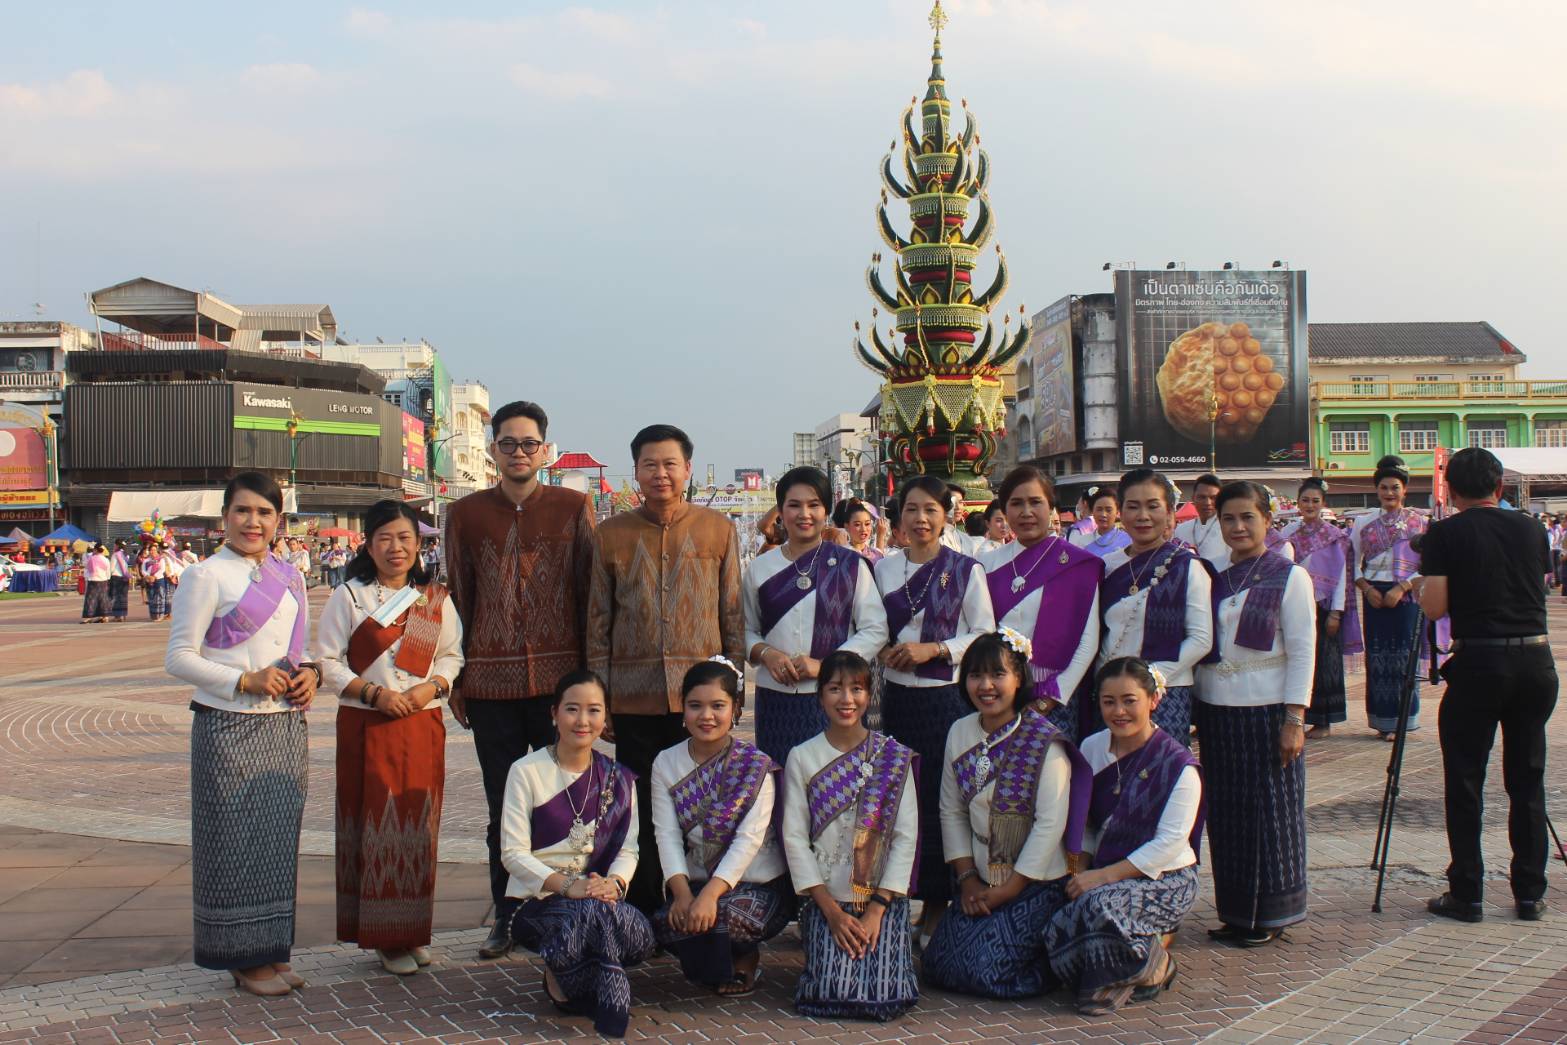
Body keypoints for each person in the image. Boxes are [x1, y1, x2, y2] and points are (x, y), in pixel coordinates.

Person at [444, 400, 596, 960]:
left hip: (559, 683)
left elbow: (589, 596)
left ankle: (565, 912)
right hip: (490, 685)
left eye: (529, 443)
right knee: (502, 805)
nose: (518, 452)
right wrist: (457, 681)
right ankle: (505, 917)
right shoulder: (464, 514)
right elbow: (459, 598)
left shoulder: (574, 508)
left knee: (566, 802)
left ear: (545, 450)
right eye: (507, 443)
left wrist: (587, 680)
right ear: (492, 449)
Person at [163, 472, 319, 996]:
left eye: (265, 513)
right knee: (232, 843)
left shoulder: (290, 575)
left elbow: (299, 648)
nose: (254, 522)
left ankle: (272, 951)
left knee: (277, 842)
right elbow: (179, 658)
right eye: (243, 511)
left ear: (279, 520)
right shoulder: (204, 576)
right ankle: (240, 957)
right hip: (228, 726)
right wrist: (241, 680)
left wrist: (310, 676)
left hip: (283, 727)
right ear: (224, 517)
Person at [588, 423, 745, 914]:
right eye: (650, 464)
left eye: (670, 464)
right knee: (637, 807)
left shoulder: (718, 530)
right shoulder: (609, 535)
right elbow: (598, 619)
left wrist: (733, 690)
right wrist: (602, 697)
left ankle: (701, 904)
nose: (661, 474)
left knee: (701, 807)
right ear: (635, 471)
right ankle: (643, 907)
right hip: (633, 698)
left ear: (688, 470)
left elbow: (733, 615)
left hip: (698, 702)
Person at [317, 499, 464, 976]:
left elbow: (452, 657)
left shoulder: (434, 599)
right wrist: (375, 694)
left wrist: (430, 689)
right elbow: (328, 662)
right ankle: (383, 937)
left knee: (417, 826)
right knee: (375, 826)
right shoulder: (350, 596)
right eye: (384, 538)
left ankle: (411, 930)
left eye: (404, 538)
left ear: (418, 544)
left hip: (420, 724)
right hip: (368, 724)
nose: (395, 547)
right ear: (368, 543)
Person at [1419, 447, 1558, 923]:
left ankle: (1468, 892)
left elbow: (1435, 608)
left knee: (1465, 781)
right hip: (1535, 661)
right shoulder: (1532, 527)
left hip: (1480, 661)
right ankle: (1530, 892)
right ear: (1499, 487)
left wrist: (1423, 585)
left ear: (1451, 491)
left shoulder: (1445, 533)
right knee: (1527, 780)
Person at [921, 630, 1087, 999]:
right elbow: (950, 809)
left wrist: (1009, 889)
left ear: (1019, 679)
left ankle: (1055, 959)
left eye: (998, 675)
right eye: (976, 675)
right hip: (978, 876)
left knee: (988, 972)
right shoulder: (959, 731)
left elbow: (1049, 826)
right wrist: (966, 879)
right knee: (938, 964)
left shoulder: (1044, 742)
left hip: (1034, 881)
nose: (986, 686)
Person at [498, 670, 654, 1038]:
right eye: (572, 709)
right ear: (554, 714)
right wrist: (570, 886)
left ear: (605, 718)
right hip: (536, 901)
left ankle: (568, 972)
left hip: (599, 895)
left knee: (640, 934)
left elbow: (628, 848)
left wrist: (614, 883)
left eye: (594, 711)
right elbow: (512, 853)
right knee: (587, 916)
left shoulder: (618, 777)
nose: (582, 721)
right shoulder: (526, 771)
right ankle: (607, 996)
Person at [872, 475, 995, 937]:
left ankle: (942, 901)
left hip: (945, 702)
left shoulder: (967, 569)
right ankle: (899, 895)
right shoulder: (883, 569)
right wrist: (882, 649)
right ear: (899, 516)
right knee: (900, 800)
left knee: (944, 800)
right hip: (894, 701)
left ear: (946, 516)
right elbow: (869, 626)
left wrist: (937, 649)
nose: (920, 519)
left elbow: (984, 632)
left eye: (930, 510)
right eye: (911, 510)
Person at [1047, 657, 1203, 1015]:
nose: (1119, 711)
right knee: (1056, 908)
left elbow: (1169, 844)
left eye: (1129, 700)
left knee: (1098, 907)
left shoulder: (1177, 765)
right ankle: (1138, 952)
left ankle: (1152, 966)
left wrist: (1100, 878)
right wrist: (1078, 870)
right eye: (1108, 702)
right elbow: (1084, 823)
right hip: (1101, 870)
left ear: (1153, 700)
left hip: (1165, 878)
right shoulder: (1090, 748)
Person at [1194, 480, 1313, 947]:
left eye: (1248, 517)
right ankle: (1236, 912)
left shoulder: (1289, 575)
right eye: (1229, 518)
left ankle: (1271, 913)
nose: (1238, 526)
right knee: (1228, 816)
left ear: (1268, 519)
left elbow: (1303, 652)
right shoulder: (1212, 576)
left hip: (1266, 714)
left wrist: (1294, 718)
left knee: (1270, 813)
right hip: (1218, 713)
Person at [781, 650, 918, 1021]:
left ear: (870, 695)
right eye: (835, 689)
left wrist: (876, 910)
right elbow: (794, 838)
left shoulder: (893, 756)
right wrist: (831, 912)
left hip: (881, 898)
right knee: (828, 992)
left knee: (886, 997)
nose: (847, 699)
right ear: (820, 696)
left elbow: (906, 837)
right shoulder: (802, 756)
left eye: (857, 689)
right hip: (826, 900)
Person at [650, 659, 791, 995]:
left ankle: (744, 955)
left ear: (736, 709)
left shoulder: (755, 766)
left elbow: (748, 840)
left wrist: (710, 897)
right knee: (662, 925)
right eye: (695, 706)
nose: (706, 716)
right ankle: (716, 959)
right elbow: (666, 834)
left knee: (722, 917)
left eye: (718, 706)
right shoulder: (665, 762)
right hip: (696, 882)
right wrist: (683, 894)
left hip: (759, 885)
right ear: (682, 709)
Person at [743, 467, 888, 765]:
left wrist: (825, 666)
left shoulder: (851, 565)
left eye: (813, 505)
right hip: (775, 699)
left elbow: (875, 629)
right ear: (781, 511)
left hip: (836, 697)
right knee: (780, 783)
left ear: (826, 511)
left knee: (834, 784)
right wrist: (767, 654)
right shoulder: (760, 568)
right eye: (794, 505)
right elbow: (744, 630)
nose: (804, 514)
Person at [980, 465, 1103, 741]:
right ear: (1004, 509)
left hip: (1054, 700)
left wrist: (1050, 698)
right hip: (996, 694)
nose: (1026, 512)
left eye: (1036, 502)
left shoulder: (1078, 564)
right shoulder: (986, 564)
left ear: (1051, 508)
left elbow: (1088, 640)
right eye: (1016, 503)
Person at [1095, 469, 1214, 746]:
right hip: (1110, 694)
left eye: (1153, 506)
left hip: (1165, 691)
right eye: (1133, 507)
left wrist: (1147, 681)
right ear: (1120, 513)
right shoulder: (1107, 566)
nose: (1143, 516)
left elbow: (1201, 639)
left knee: (1160, 776)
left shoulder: (1187, 566)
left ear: (1170, 512)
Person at [1352, 455, 1427, 739]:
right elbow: (1353, 563)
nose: (1389, 493)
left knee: (1404, 656)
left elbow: (1425, 564)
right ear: (1377, 490)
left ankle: (1404, 720)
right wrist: (1367, 589)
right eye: (1384, 488)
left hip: (1405, 597)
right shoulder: (1363, 522)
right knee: (1379, 657)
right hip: (1373, 594)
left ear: (1404, 490)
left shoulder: (1418, 522)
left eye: (1395, 487)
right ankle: (1382, 721)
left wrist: (1402, 588)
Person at [1283, 478, 1362, 737]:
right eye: (1305, 500)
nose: (1310, 505)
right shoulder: (1288, 534)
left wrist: (1336, 613)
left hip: (1325, 607)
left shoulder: (1335, 537)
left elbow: (1341, 578)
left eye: (1315, 501)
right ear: (1298, 502)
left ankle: (1324, 721)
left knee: (1325, 664)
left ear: (1323, 503)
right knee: (1297, 660)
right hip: (1295, 606)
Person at [1173, 473, 1226, 564]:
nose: (1208, 503)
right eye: (1202, 497)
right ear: (1193, 498)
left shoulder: (1227, 528)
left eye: (1213, 498)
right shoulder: (1181, 529)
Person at [1072, 486, 1132, 559]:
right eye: (1099, 509)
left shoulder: (1128, 540)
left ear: (1117, 512)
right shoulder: (1082, 542)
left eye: (1108, 510)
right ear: (1093, 512)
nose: (1103, 514)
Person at [842, 499, 883, 564]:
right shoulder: (841, 555)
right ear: (847, 527)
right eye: (857, 524)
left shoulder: (877, 555)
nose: (863, 529)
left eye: (867, 524)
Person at [81, 544, 111, 623]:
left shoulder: (92, 558)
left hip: (93, 580)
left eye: (94, 549)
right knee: (103, 599)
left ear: (96, 550)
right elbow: (108, 571)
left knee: (91, 599)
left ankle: (88, 616)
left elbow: (87, 567)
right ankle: (105, 616)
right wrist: (107, 579)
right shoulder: (106, 559)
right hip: (103, 580)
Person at [144, 542, 173, 620]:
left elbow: (162, 569)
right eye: (151, 550)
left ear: (157, 551)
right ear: (149, 551)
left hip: (159, 580)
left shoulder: (161, 559)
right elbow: (142, 570)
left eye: (154, 550)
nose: (153, 551)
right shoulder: (146, 561)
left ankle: (160, 615)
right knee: (151, 598)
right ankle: (153, 615)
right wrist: (148, 576)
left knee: (160, 598)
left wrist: (154, 576)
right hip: (149, 580)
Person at [108, 540, 132, 622]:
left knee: (116, 596)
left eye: (115, 545)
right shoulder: (125, 555)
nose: (114, 546)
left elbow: (111, 568)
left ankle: (117, 616)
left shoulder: (115, 555)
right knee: (123, 597)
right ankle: (123, 615)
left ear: (117, 545)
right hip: (125, 577)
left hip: (116, 577)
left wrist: (107, 577)